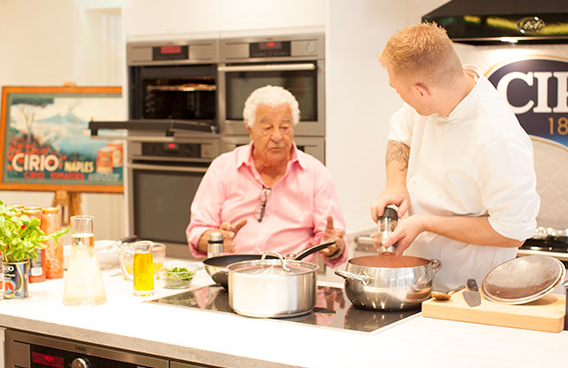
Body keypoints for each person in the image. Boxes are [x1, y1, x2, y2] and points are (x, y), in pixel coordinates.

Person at [370, 22, 540, 291]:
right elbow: (400, 135)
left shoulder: (497, 137)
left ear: (421, 91)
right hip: (420, 284)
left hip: (472, 293)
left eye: (397, 89)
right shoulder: (427, 98)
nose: (398, 94)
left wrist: (425, 223)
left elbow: (512, 233)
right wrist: (395, 184)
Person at [186, 85, 347, 265]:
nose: (277, 136)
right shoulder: (223, 168)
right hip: (233, 279)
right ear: (250, 129)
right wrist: (215, 240)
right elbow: (197, 231)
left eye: (285, 127)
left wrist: (333, 246)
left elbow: (332, 242)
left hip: (292, 280)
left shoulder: (315, 173)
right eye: (267, 128)